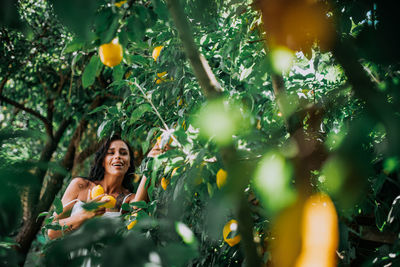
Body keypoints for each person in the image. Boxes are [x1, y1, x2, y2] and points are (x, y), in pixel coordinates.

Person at [48, 134, 157, 240]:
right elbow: (52, 231)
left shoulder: (129, 199)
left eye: (123, 153)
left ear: (129, 163)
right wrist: (84, 215)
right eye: (111, 153)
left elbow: (138, 215)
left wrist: (151, 163)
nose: (118, 156)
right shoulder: (80, 186)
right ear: (102, 161)